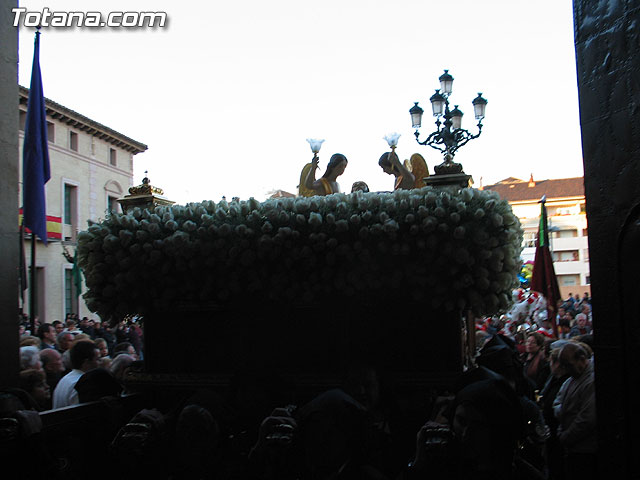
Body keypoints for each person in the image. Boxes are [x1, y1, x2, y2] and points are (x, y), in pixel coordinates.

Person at [553, 342, 597, 480]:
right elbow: (557, 403)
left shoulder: (591, 381)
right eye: (564, 366)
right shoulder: (570, 381)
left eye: (569, 365)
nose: (567, 370)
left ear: (582, 359)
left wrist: (566, 436)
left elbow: (587, 419)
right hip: (573, 448)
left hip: (586, 450)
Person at [52, 340, 99, 409]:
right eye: (98, 359)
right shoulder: (80, 384)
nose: (100, 362)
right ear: (87, 362)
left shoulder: (66, 378)